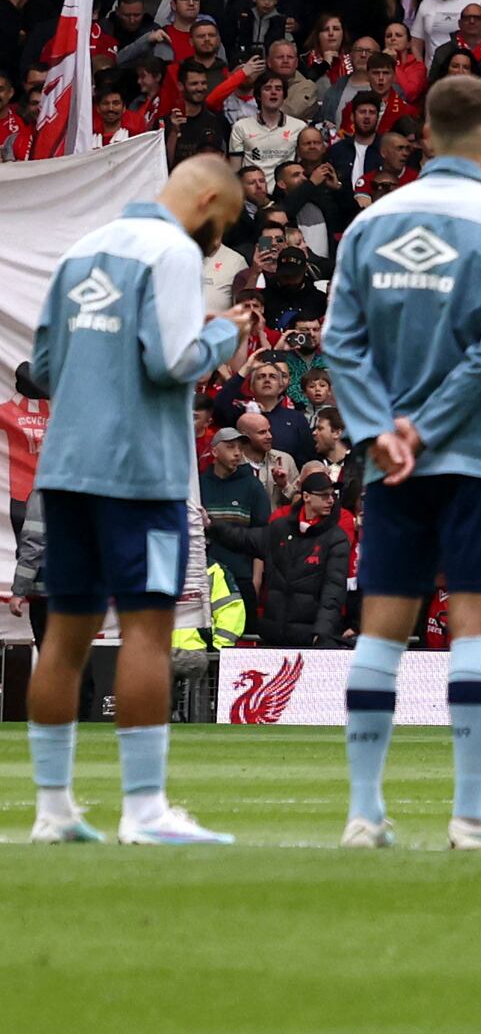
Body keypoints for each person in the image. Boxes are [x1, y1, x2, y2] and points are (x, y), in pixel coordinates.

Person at [323, 72, 481, 850]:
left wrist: (377, 428)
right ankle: (472, 812)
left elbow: (340, 342)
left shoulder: (369, 225)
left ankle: (363, 812)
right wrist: (425, 427)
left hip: (389, 462)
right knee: (479, 634)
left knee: (381, 634)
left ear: (424, 134)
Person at [19, 142, 248, 846]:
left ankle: (53, 810)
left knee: (64, 638)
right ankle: (144, 810)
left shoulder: (83, 248)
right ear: (207, 202)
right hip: (139, 475)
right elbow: (172, 360)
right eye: (218, 234)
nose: (209, 248)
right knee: (147, 629)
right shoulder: (172, 253)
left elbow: (47, 368)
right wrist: (221, 334)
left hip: (64, 472)